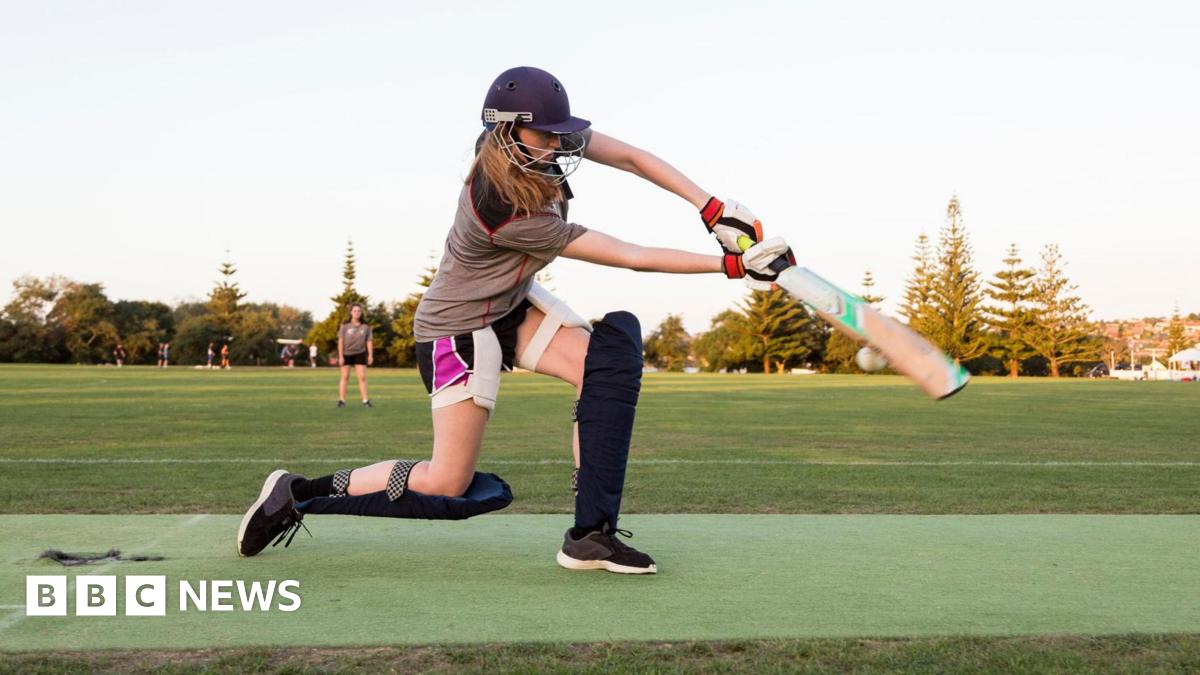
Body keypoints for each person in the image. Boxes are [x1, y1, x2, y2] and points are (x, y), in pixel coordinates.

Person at [236, 67, 791, 575]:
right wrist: (732, 265)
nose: (558, 144)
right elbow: (629, 254)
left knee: (606, 363)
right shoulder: (504, 207)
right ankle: (298, 492)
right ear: (507, 131)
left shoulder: (527, 142)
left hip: (509, 304)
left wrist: (713, 207)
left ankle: (590, 536)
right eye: (546, 135)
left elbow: (631, 157)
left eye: (559, 133)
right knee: (446, 482)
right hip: (457, 329)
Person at [335, 304, 373, 407]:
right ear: (351, 312)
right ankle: (342, 400)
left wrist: (370, 355)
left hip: (360, 353)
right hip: (346, 354)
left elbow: (369, 341)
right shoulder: (344, 325)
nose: (357, 313)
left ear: (361, 313)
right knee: (345, 377)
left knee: (362, 377)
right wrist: (341, 356)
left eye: (359, 311)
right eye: (355, 311)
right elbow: (340, 341)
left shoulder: (366, 326)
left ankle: (365, 401)